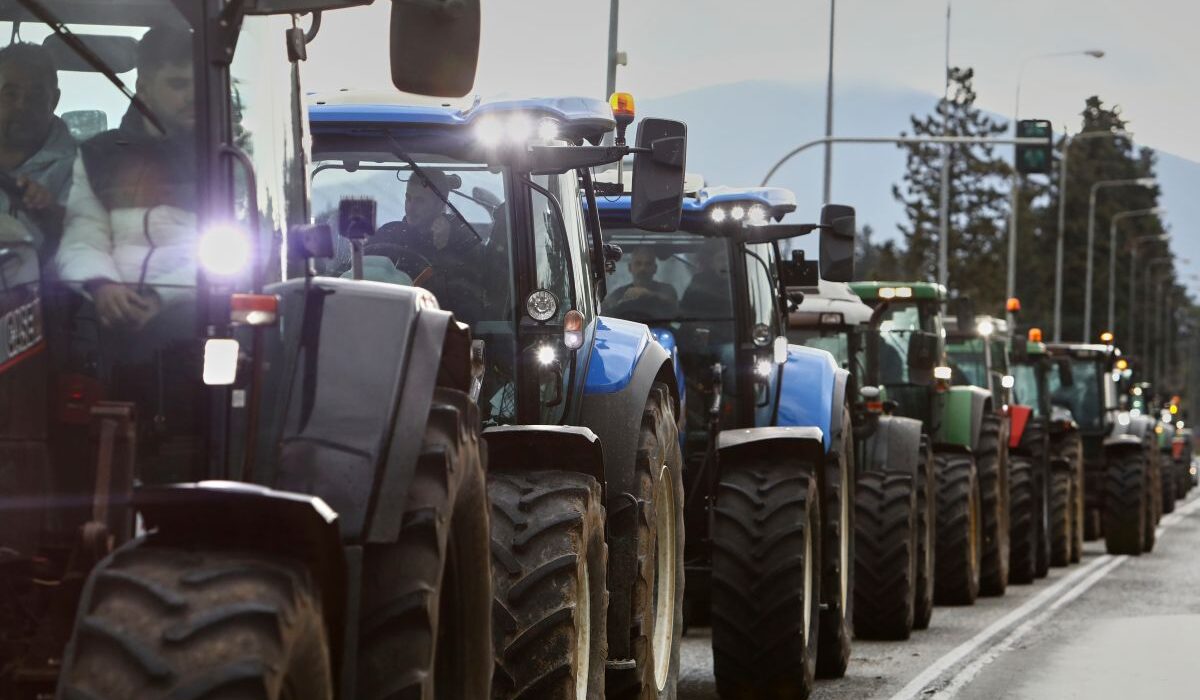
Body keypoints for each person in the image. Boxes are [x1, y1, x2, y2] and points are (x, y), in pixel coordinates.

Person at [55, 26, 196, 331]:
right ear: (143, 87)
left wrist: (159, 297)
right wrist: (102, 285)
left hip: (198, 320)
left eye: (201, 85)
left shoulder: (226, 158)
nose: (193, 96)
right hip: (107, 322)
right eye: (178, 84)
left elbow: (236, 254)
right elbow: (82, 237)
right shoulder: (100, 155)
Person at [0, 42, 76, 259]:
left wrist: (49, 211)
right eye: (10, 94)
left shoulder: (81, 168)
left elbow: (88, 241)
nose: (22, 105)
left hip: (48, 289)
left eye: (35, 95)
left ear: (54, 100)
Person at [603, 246, 678, 317]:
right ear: (630, 267)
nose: (642, 268)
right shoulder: (619, 293)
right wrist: (620, 302)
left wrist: (648, 294)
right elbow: (605, 311)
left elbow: (674, 306)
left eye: (648, 264)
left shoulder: (666, 290)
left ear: (655, 268)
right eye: (638, 264)